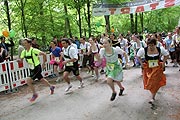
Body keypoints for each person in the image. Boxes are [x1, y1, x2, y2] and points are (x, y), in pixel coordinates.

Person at [137, 38, 169, 104]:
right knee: (149, 82)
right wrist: (141, 63)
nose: (151, 47)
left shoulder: (160, 49)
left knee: (153, 80)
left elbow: (166, 55)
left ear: (155, 44)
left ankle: (152, 97)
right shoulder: (143, 50)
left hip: (157, 68)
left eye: (152, 45)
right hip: (148, 68)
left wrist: (163, 63)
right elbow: (138, 56)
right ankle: (154, 93)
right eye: (149, 45)